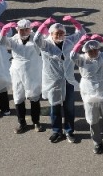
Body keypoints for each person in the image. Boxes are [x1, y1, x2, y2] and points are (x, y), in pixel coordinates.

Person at [33, 15, 86, 144]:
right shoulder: (46, 44)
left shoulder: (69, 41)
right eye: (56, 33)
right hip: (53, 82)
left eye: (62, 32)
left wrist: (74, 21)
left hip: (68, 81)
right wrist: (43, 24)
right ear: (51, 34)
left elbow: (82, 33)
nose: (59, 35)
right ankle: (56, 131)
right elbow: (36, 39)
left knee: (69, 108)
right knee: (55, 107)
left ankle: (69, 131)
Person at [0, 19, 46, 133]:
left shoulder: (35, 38)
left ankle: (36, 122)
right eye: (21, 30)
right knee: (18, 97)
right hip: (18, 72)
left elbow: (45, 43)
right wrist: (4, 31)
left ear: (30, 29)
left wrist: (43, 29)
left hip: (33, 71)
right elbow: (1, 42)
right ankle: (22, 122)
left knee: (34, 98)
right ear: (17, 30)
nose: (24, 32)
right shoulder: (14, 39)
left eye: (26, 30)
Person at [72, 34, 103, 152]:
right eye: (90, 51)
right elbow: (72, 55)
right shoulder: (82, 60)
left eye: (95, 50)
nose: (93, 52)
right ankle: (97, 142)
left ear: (98, 49)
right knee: (92, 119)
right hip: (89, 93)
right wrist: (80, 42)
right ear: (86, 51)